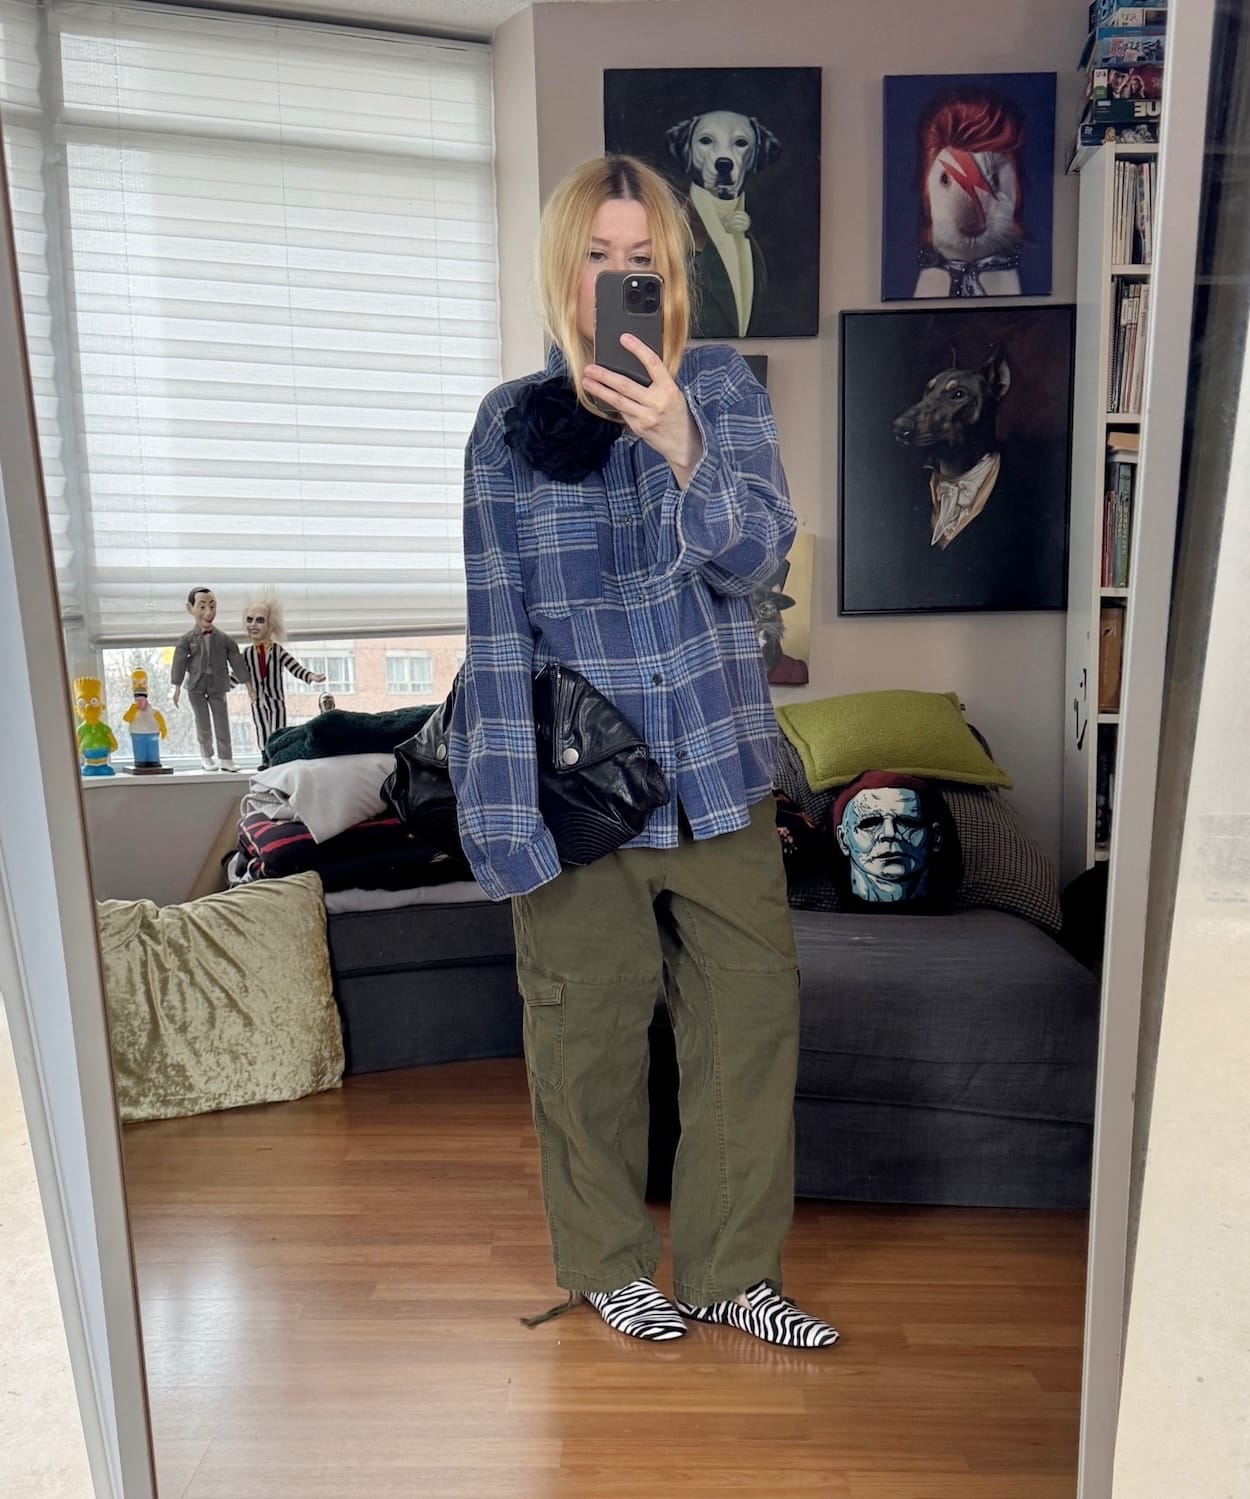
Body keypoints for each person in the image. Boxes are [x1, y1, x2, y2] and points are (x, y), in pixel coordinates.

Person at [448, 155, 838, 1350]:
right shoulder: (506, 426)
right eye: (597, 257)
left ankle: (729, 1272)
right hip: (581, 799)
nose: (621, 277)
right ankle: (609, 1263)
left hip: (718, 775)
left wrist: (680, 447)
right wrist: (501, 822)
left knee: (747, 1027)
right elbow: (495, 627)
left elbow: (755, 562)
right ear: (560, 272)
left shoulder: (717, 391)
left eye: (643, 260)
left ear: (671, 274)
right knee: (584, 1042)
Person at [170, 586, 251, 771]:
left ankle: (226, 758)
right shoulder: (187, 639)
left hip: (217, 684)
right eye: (202, 607)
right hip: (196, 685)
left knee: (222, 722)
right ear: (190, 608)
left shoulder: (224, 639)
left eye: (212, 607)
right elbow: (179, 662)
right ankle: (206, 756)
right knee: (203, 723)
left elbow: (236, 660)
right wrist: (176, 687)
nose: (208, 612)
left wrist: (248, 685)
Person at [237, 590, 326, 756]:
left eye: (260, 620)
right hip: (257, 700)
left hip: (275, 700)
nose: (253, 624)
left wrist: (310, 676)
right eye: (250, 620)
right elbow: (238, 675)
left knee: (278, 730)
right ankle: (265, 757)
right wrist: (219, 685)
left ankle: (277, 755)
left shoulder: (277, 651)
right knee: (261, 728)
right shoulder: (247, 654)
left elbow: (294, 667)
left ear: (271, 626)